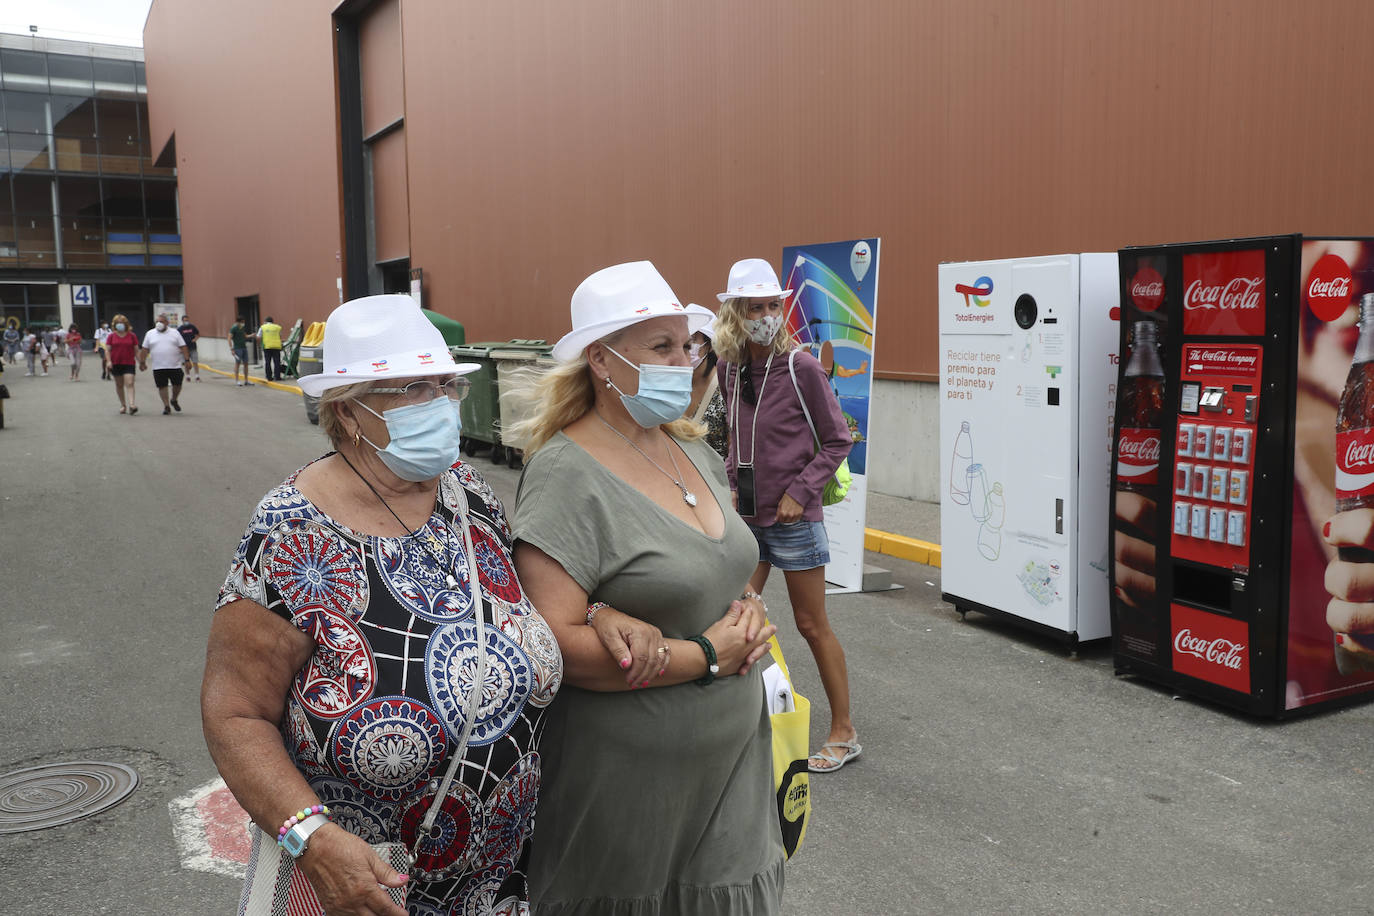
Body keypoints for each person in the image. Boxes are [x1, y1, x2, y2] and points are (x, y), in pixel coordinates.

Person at [205, 294, 561, 915]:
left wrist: (604, 614)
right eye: (411, 389)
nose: (441, 406)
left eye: (445, 386)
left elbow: (528, 606)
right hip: (364, 889)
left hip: (501, 884)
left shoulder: (467, 494)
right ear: (348, 413)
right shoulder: (288, 532)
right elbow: (235, 716)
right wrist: (311, 840)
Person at [511, 260, 783, 915]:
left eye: (687, 345)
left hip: (734, 769)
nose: (685, 361)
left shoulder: (693, 449)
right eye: (660, 347)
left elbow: (715, 563)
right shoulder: (565, 474)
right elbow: (551, 645)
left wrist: (745, 607)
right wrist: (710, 655)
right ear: (602, 361)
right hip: (628, 790)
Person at [714, 257, 859, 774]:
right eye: (756, 307)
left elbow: (839, 438)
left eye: (773, 304)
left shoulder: (802, 367)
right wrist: (730, 489)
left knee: (810, 623)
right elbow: (733, 442)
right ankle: (745, 724)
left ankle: (844, 731)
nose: (767, 315)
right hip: (747, 518)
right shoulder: (730, 369)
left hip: (795, 519)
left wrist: (801, 491)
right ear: (736, 313)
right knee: (734, 614)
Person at [686, 315, 729, 459]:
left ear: (709, 345)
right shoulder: (669, 386)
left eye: (692, 339)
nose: (685, 345)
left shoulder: (726, 389)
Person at [140, 313, 191, 414]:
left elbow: (183, 347)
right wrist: (142, 362)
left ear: (167, 323)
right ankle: (166, 406)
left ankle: (174, 399)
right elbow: (145, 349)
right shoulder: (150, 334)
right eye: (157, 321)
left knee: (177, 384)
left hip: (174, 365)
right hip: (158, 366)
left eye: (162, 321)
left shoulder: (175, 333)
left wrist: (187, 360)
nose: (159, 323)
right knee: (162, 386)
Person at [106, 314, 140, 414]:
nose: (120, 325)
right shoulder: (111, 336)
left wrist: (141, 362)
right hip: (116, 363)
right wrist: (108, 361)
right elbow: (108, 350)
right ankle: (123, 404)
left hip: (129, 363)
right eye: (118, 323)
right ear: (114, 325)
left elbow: (136, 350)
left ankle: (132, 404)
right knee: (119, 385)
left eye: (122, 323)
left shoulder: (132, 336)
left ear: (126, 324)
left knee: (130, 383)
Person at [258, 314, 283, 381]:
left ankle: (269, 377)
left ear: (265, 321)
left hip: (267, 346)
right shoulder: (278, 327)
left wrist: (259, 344)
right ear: (272, 321)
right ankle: (277, 377)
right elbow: (280, 336)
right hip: (276, 346)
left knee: (267, 362)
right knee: (277, 362)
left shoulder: (263, 327)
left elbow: (258, 337)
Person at [177, 313, 202, 381]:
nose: (186, 322)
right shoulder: (180, 329)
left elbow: (198, 334)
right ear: (182, 321)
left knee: (195, 362)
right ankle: (188, 376)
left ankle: (197, 376)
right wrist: (180, 348)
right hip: (185, 349)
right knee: (186, 363)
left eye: (187, 320)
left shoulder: (192, 327)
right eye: (185, 320)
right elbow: (177, 339)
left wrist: (195, 339)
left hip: (193, 348)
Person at [229, 315, 249, 386]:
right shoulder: (233, 328)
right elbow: (229, 338)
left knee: (246, 364)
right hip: (237, 348)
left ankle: (246, 380)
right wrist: (232, 349)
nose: (243, 323)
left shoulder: (242, 328)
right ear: (238, 322)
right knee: (237, 364)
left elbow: (245, 336)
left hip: (244, 347)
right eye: (242, 322)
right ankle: (237, 380)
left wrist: (251, 335)